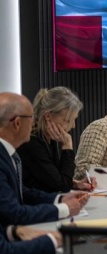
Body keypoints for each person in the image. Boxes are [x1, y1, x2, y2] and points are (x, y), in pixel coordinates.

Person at [0, 92, 88, 226]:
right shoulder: (30, 145)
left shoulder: (12, 153)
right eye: (31, 118)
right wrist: (64, 209)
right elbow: (13, 213)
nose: (33, 122)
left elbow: (23, 191)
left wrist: (60, 199)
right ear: (17, 123)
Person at [18, 87, 94, 193]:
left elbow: (54, 179)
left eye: (74, 120)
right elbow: (62, 186)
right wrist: (67, 147)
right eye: (67, 120)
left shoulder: (49, 138)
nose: (73, 126)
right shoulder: (32, 143)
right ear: (48, 116)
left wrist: (76, 184)